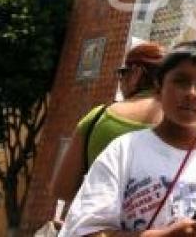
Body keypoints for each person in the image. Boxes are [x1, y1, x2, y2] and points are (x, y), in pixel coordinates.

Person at [59, 40, 196, 236]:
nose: (191, 93)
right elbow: (86, 231)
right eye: (180, 81)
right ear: (159, 86)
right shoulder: (123, 149)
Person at [52, 41, 167, 204]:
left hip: (101, 228)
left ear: (136, 73)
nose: (120, 83)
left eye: (122, 73)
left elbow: (62, 189)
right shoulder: (194, 127)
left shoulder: (99, 117)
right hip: (166, 228)